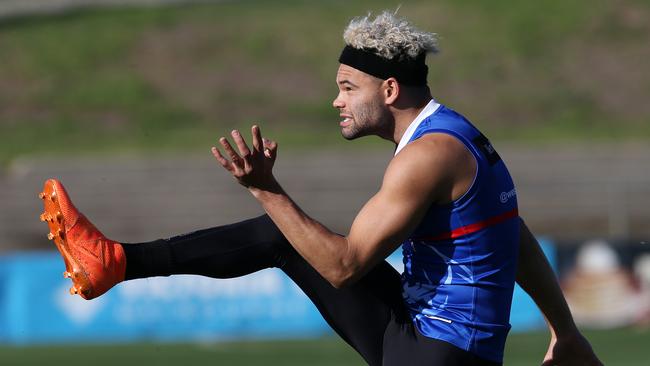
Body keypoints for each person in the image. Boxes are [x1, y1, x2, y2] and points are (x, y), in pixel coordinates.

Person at [39, 11, 602, 366]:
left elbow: (343, 267)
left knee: (282, 228)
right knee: (279, 236)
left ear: (387, 89)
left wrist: (265, 188)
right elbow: (515, 236)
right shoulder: (458, 133)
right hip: (436, 340)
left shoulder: (427, 157)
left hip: (432, 353)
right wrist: (565, 329)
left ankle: (115, 261)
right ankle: (112, 261)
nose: (336, 100)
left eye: (346, 87)